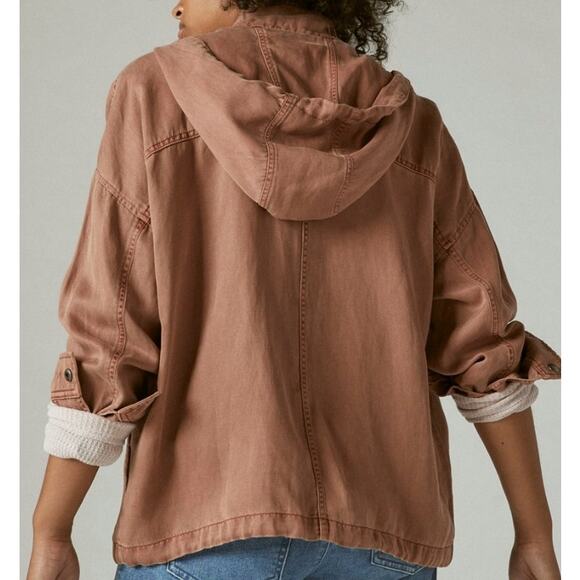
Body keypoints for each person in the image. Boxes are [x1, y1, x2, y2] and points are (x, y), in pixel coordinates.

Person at [27, 1, 562, 579]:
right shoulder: (413, 126)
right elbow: (482, 346)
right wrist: (533, 533)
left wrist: (52, 530)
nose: (175, 5)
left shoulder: (154, 92)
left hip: (209, 528)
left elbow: (111, 338)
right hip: (385, 537)